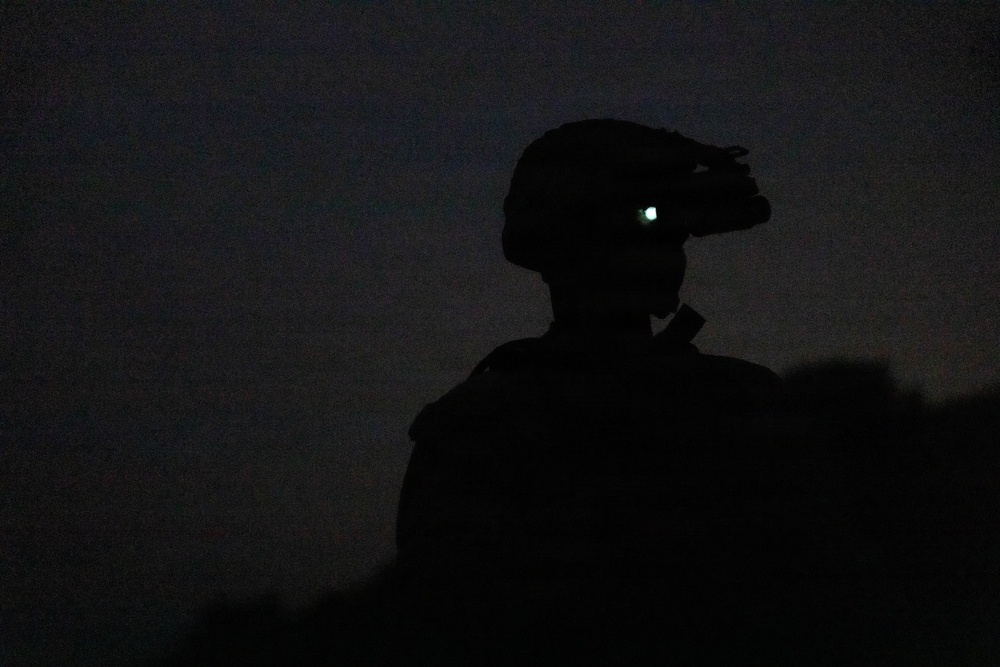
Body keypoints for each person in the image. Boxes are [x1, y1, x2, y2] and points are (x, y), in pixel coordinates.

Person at [392, 120, 873, 664]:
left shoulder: (746, 400)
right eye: (644, 224)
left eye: (668, 229)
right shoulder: (481, 423)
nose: (666, 248)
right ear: (571, 245)